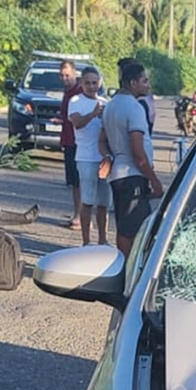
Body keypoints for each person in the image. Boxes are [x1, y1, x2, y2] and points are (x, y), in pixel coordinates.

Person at [98, 59, 164, 256]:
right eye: (144, 81)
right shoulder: (134, 108)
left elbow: (101, 140)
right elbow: (138, 152)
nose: (148, 85)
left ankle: (125, 268)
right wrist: (154, 180)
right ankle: (128, 271)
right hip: (132, 175)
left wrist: (108, 157)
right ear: (132, 83)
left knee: (124, 225)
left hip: (118, 174)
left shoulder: (111, 106)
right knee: (133, 231)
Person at [69, 67, 112, 245]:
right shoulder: (76, 101)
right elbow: (77, 123)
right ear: (81, 83)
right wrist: (93, 114)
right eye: (87, 82)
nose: (91, 86)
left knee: (104, 203)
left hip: (104, 158)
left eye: (94, 83)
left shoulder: (105, 102)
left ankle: (103, 240)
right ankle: (86, 241)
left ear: (100, 83)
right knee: (87, 201)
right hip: (86, 157)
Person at [59, 60, 83, 229]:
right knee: (74, 183)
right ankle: (77, 214)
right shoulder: (67, 94)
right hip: (68, 141)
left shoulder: (79, 94)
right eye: (62, 76)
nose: (65, 79)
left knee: (80, 182)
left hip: (78, 143)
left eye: (67, 75)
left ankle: (81, 217)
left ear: (75, 74)